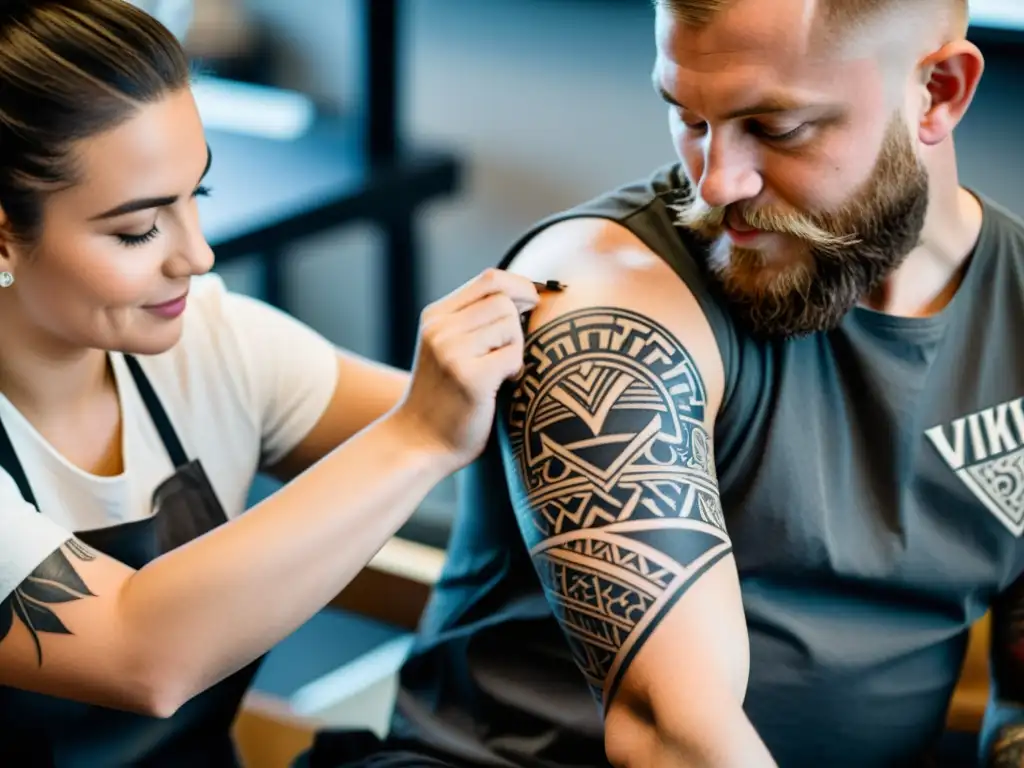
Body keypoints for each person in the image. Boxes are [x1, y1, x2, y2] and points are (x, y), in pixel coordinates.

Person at [302, 0, 1024, 766]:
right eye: (688, 117)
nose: (715, 184)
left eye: (776, 129)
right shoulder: (610, 308)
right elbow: (672, 738)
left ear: (939, 91)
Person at [0, 1, 543, 764]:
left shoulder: (211, 344)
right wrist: (417, 436)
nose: (198, 254)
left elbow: (500, 423)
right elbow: (140, 653)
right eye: (138, 229)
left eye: (200, 197)